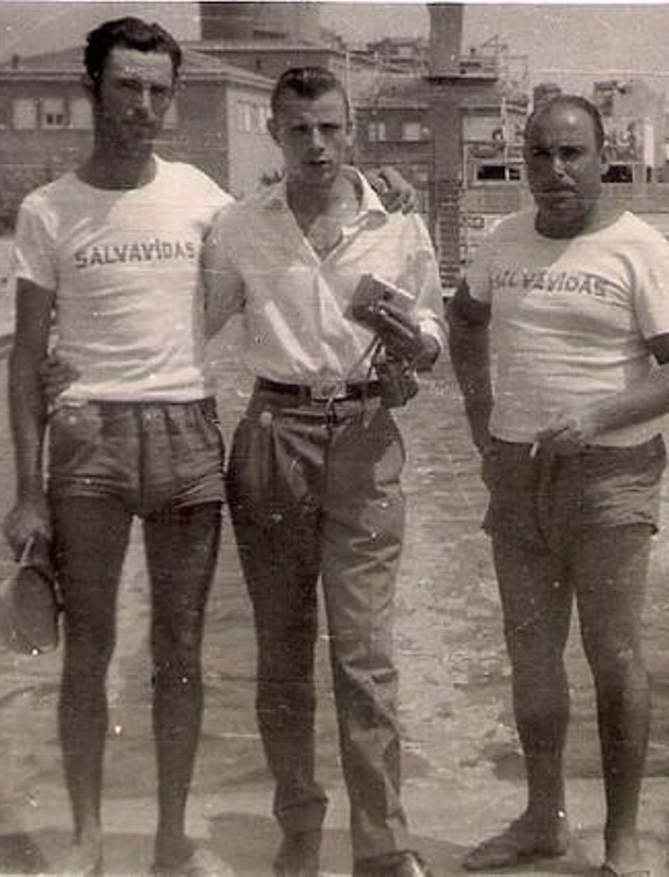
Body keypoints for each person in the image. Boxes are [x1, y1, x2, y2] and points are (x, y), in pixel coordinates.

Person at [4, 20, 413, 877]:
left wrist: (383, 188)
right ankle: (85, 838)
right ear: (93, 89)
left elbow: (304, 216)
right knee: (90, 648)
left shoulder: (203, 198)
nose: (144, 106)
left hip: (188, 433)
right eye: (127, 87)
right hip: (90, 439)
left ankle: (169, 837)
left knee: (183, 651)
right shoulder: (48, 211)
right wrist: (28, 483)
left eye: (158, 90)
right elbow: (25, 350)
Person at [448, 95, 669, 877]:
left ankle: (621, 836)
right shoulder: (500, 241)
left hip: (612, 477)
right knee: (531, 657)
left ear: (604, 157)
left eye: (572, 154)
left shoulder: (641, 249)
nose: (555, 172)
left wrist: (597, 417)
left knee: (615, 654)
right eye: (539, 156)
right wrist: (481, 419)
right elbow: (464, 321)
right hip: (518, 471)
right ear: (522, 160)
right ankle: (542, 818)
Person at [201, 67, 445, 877]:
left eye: (332, 129)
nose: (317, 146)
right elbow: (190, 327)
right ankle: (299, 827)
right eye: (300, 130)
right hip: (274, 433)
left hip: (367, 434)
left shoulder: (399, 225)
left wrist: (419, 346)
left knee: (364, 652)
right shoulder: (238, 227)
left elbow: (433, 329)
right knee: (282, 650)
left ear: (352, 131)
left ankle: (382, 842)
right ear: (275, 133)